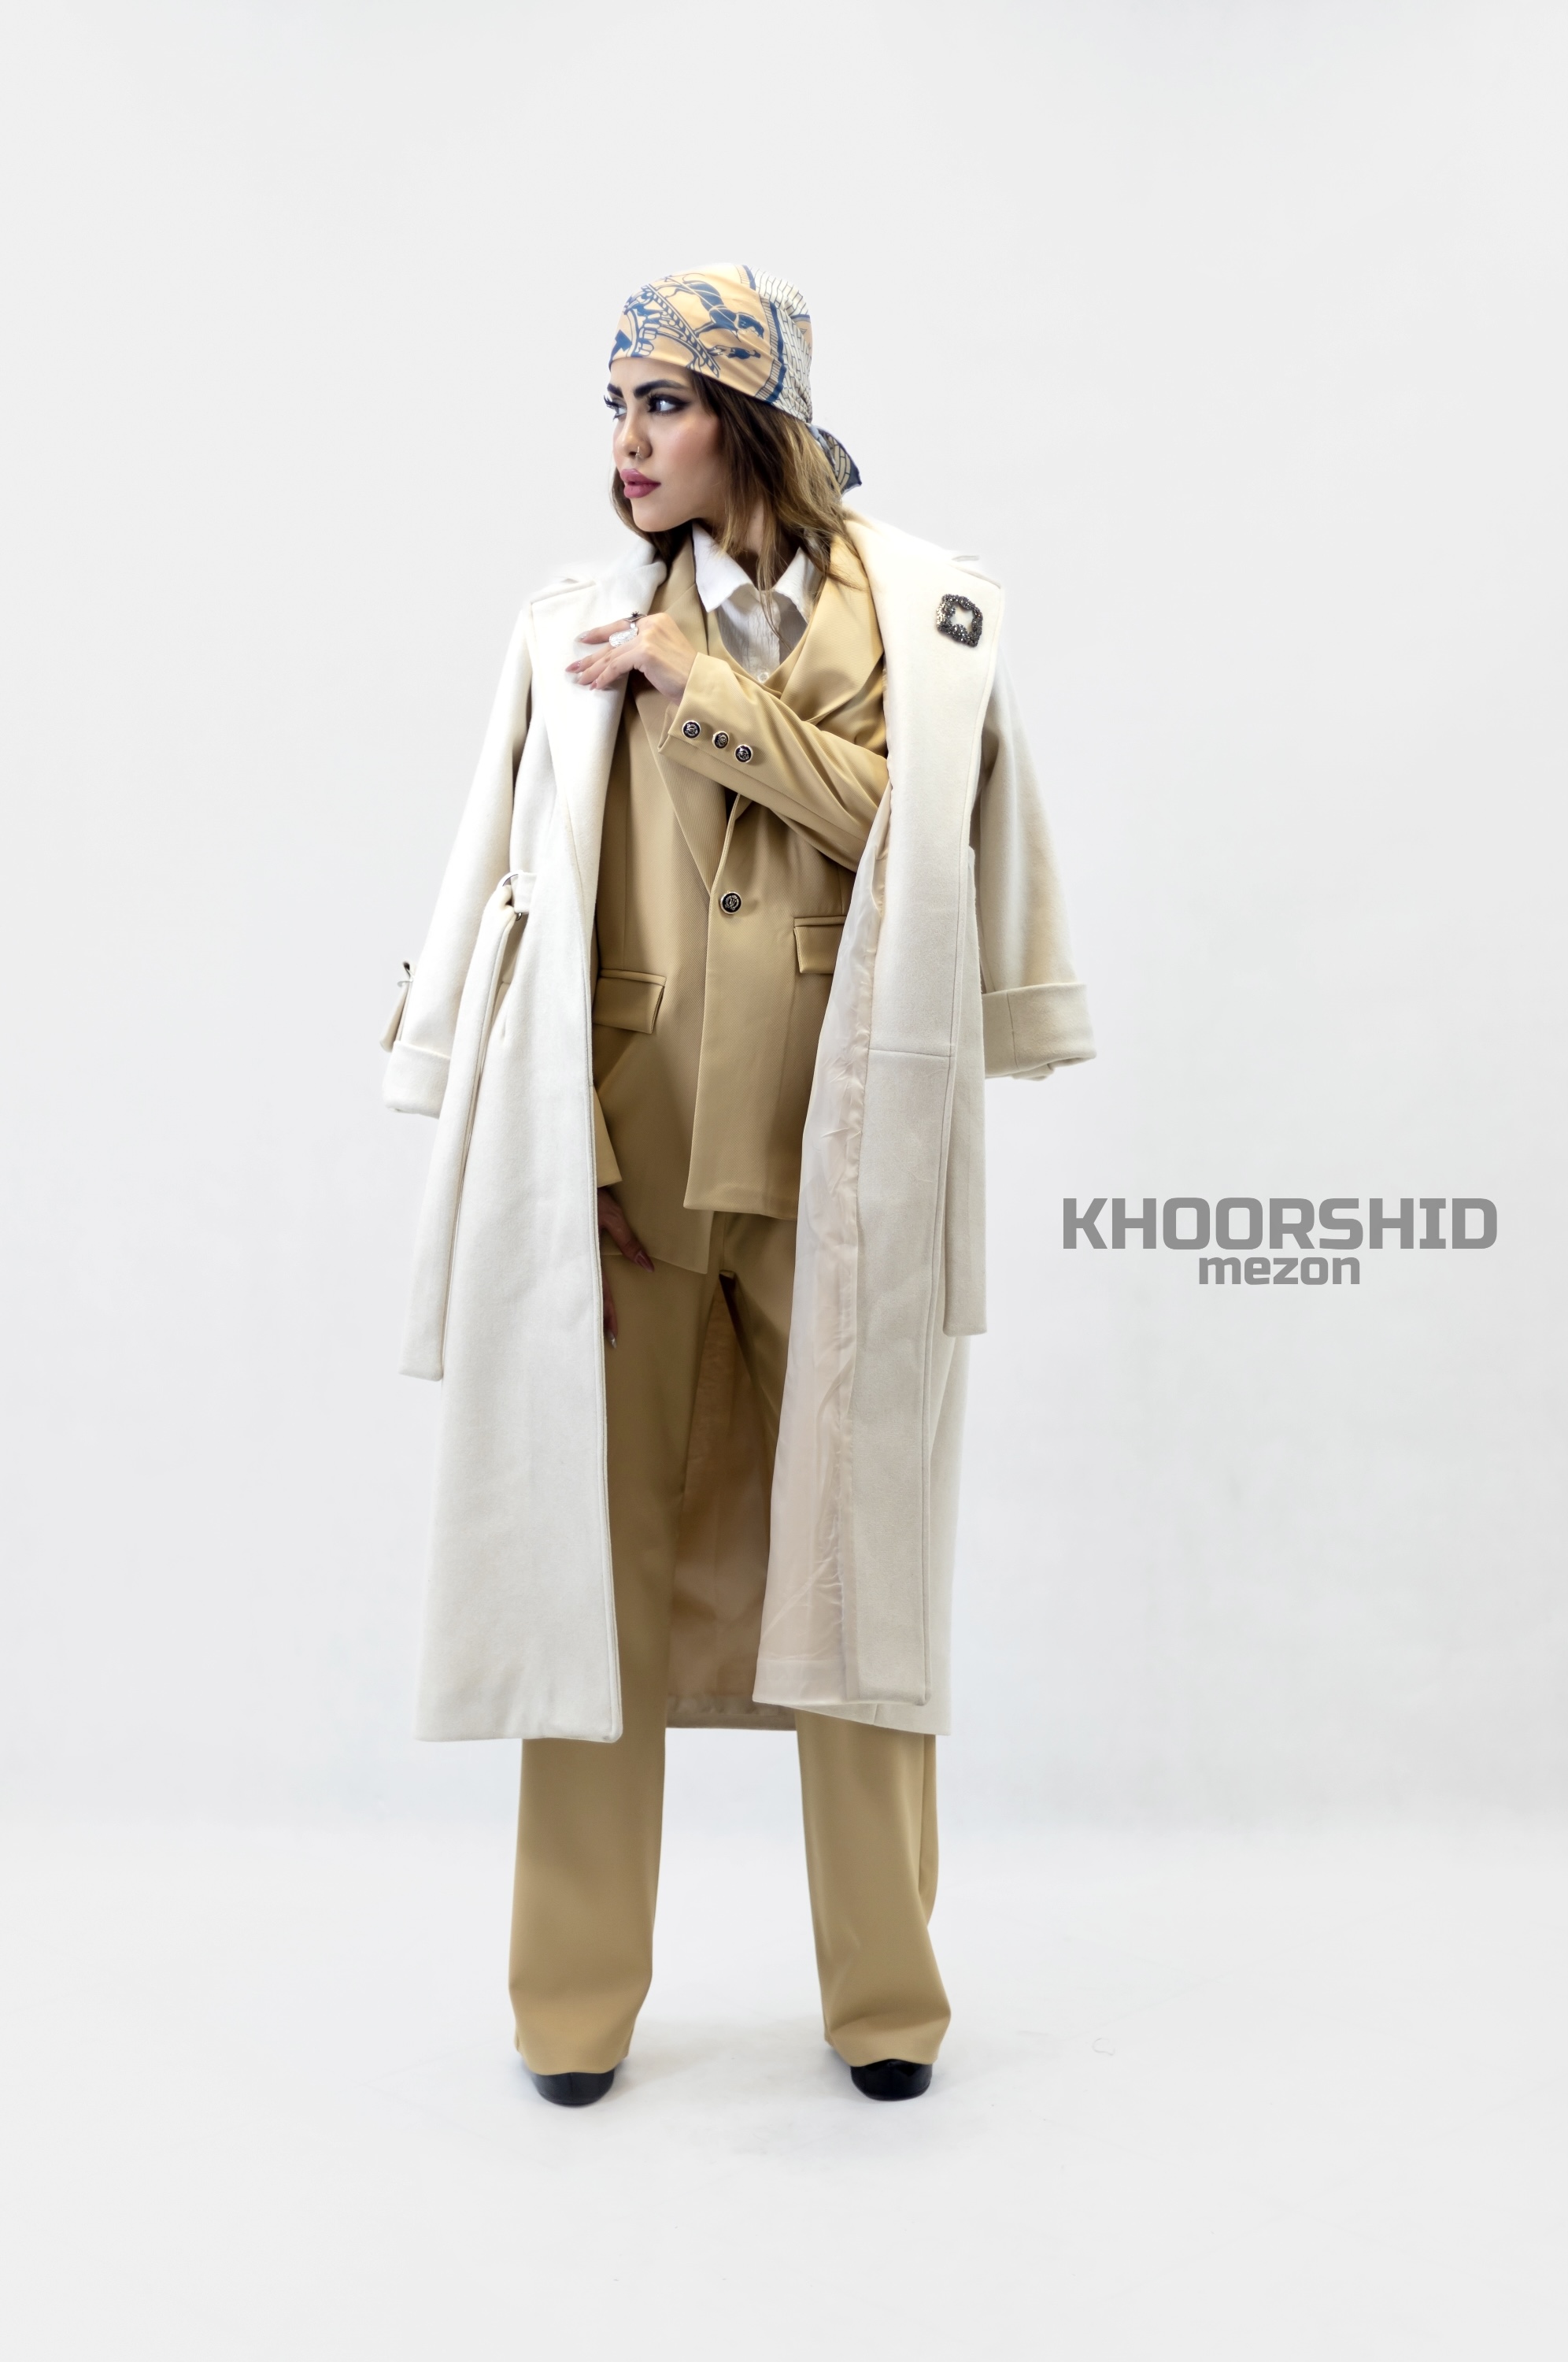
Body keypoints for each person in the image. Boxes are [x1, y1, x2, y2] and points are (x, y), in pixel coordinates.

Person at [383, 265, 1093, 2108]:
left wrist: (697, 693)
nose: (626, 444)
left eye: (663, 404)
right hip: (615, 1171)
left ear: (751, 421)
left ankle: (885, 2001)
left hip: (847, 1162)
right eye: (614, 407)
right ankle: (569, 2010)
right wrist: (525, 1125)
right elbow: (502, 869)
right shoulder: (570, 630)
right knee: (586, 1583)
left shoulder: (926, 621)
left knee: (859, 1576)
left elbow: (914, 840)